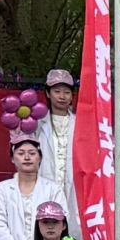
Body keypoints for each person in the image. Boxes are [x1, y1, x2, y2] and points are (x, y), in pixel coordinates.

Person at [0, 128, 65, 240]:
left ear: (40, 158)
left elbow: (61, 220)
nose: (27, 157)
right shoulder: (0, 190)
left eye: (32, 153)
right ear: (12, 158)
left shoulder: (53, 189)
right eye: (21, 153)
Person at [36, 68, 85, 220]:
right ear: (47, 93)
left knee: (73, 222)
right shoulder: (38, 124)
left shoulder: (81, 123)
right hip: (46, 179)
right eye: (57, 91)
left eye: (67, 92)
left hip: (74, 185)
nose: (62, 96)